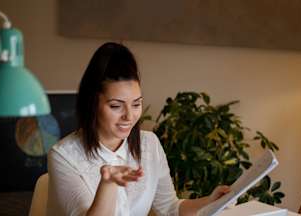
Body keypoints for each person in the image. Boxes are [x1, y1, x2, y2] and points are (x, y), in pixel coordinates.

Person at [47, 42, 230, 216]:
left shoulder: (149, 144)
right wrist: (108, 184)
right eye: (116, 106)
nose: (129, 116)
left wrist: (211, 202)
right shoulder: (64, 156)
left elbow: (170, 209)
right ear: (92, 104)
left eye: (136, 104)